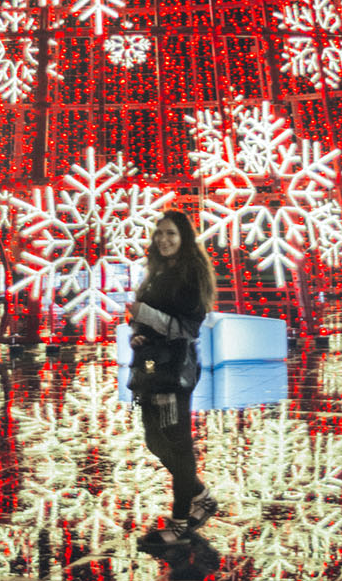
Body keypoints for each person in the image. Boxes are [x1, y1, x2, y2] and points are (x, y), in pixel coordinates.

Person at [128, 210, 219, 547]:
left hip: (174, 371)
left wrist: (143, 315)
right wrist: (138, 333)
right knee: (155, 441)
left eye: (171, 234)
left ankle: (180, 523)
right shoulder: (156, 272)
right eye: (159, 234)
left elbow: (187, 327)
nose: (163, 240)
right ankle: (200, 494)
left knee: (178, 445)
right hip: (150, 369)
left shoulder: (190, 276)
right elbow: (146, 321)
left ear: (184, 239)